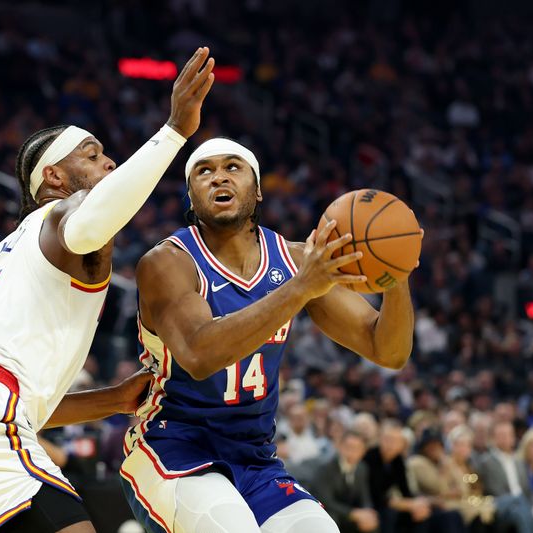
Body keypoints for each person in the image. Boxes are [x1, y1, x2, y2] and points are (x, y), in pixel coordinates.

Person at [0, 47, 215, 533]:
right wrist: (175, 130)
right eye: (92, 156)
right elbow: (93, 218)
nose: (111, 163)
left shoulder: (11, 252)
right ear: (54, 176)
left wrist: (114, 399)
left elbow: (22, 405)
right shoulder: (59, 217)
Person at [122, 137, 417, 532]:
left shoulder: (296, 261)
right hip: (171, 449)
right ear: (190, 197)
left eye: (232, 167)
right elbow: (198, 354)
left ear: (258, 189)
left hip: (256, 461)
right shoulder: (168, 262)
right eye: (203, 171)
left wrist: (395, 275)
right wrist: (300, 288)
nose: (218, 177)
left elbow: (388, 350)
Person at [476, 421, 533, 533]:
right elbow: (493, 490)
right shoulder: (485, 462)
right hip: (500, 507)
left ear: (513, 437)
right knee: (520, 505)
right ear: (493, 438)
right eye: (501, 435)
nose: (505, 438)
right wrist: (519, 500)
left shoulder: (520, 461)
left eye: (508, 434)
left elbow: (529, 490)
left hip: (522, 506)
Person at [310, 431, 378, 533]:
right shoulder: (325, 469)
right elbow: (326, 502)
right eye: (348, 447)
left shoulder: (362, 468)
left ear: (363, 451)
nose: (352, 452)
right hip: (330, 513)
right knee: (333, 519)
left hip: (350, 514)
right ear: (339, 447)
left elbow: (365, 496)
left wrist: (367, 512)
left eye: (357, 448)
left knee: (372, 521)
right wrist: (353, 513)